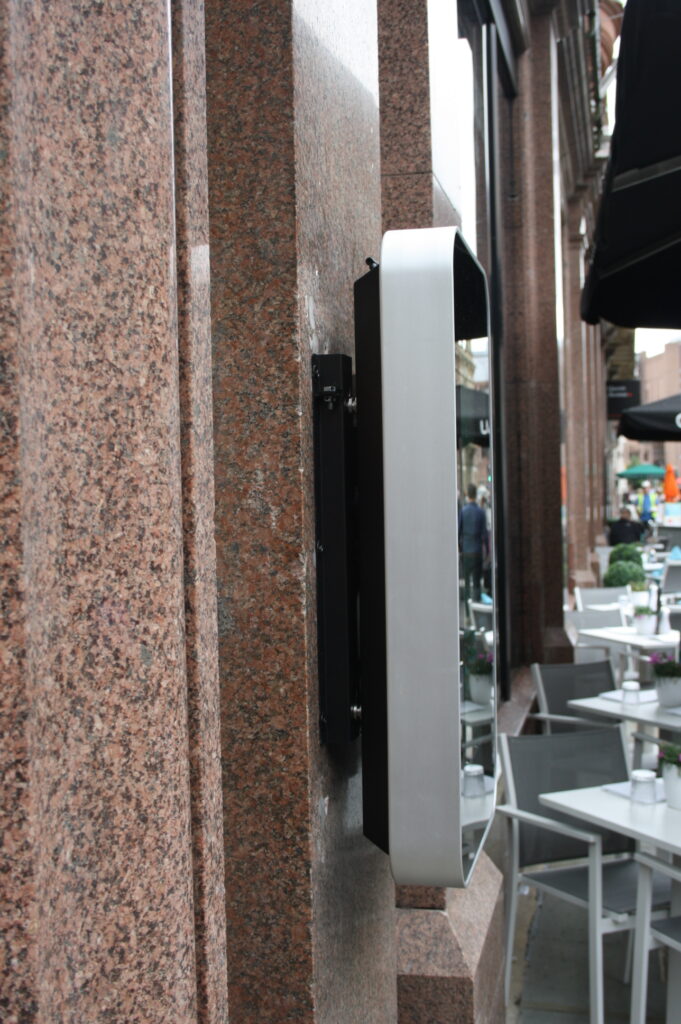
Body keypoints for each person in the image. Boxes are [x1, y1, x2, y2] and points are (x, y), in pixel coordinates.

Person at [459, 482, 489, 603]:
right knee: (476, 583)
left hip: (466, 551)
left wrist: (460, 549)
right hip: (477, 551)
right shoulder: (480, 512)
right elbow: (485, 534)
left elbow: (459, 531)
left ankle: (467, 609)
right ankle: (476, 604)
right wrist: (487, 551)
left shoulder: (463, 511)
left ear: (467, 495)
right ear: (476, 495)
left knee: (467, 582)